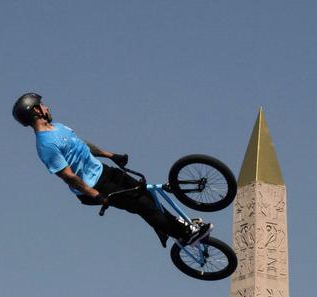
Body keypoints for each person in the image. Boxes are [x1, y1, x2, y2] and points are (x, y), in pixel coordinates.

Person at [12, 93, 210, 245]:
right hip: (96, 186)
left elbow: (82, 145)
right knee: (143, 205)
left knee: (147, 194)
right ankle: (186, 236)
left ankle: (173, 226)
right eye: (42, 104)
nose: (47, 106)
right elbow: (67, 176)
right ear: (36, 111)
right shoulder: (45, 145)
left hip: (105, 171)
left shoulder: (58, 127)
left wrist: (111, 155)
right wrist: (95, 195)